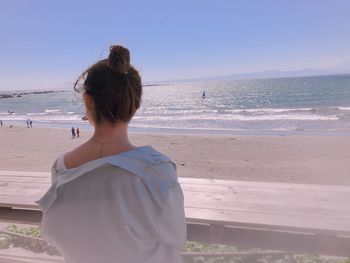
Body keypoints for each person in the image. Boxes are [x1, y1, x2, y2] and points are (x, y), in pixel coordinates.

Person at [36, 45, 186, 263]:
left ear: (88, 100)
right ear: (135, 103)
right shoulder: (157, 172)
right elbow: (177, 238)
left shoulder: (61, 169)